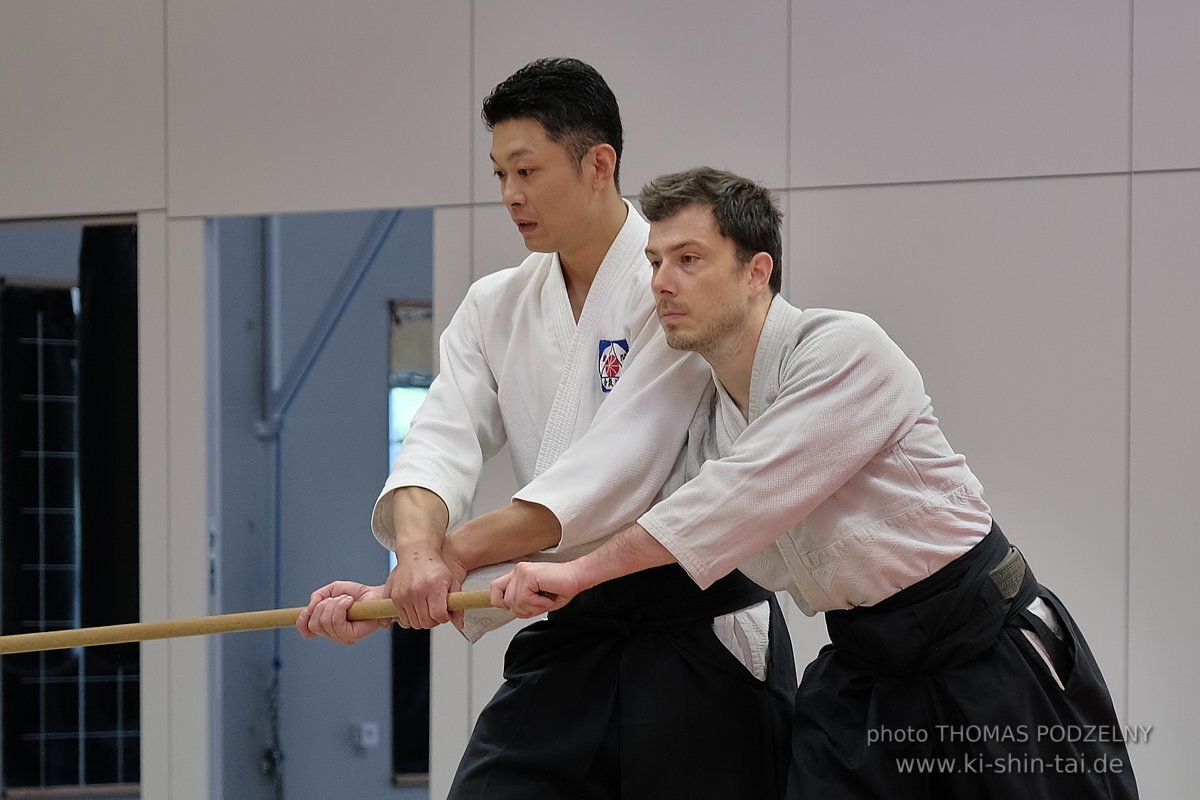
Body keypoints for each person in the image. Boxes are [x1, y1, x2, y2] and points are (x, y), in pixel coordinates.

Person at [494, 166, 1140, 800]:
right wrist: (447, 571)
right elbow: (617, 505)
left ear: (757, 271)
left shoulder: (843, 350)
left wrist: (579, 576)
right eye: (655, 261)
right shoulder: (708, 418)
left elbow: (736, 499)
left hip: (983, 648)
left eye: (688, 259)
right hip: (864, 666)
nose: (661, 282)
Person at [297, 61, 796, 799]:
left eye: (526, 170)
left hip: (697, 627)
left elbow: (614, 473)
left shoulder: (674, 289)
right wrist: (411, 558)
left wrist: (446, 560)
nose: (510, 195)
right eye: (499, 172)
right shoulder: (493, 306)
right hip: (572, 623)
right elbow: (439, 439)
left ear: (600, 164)